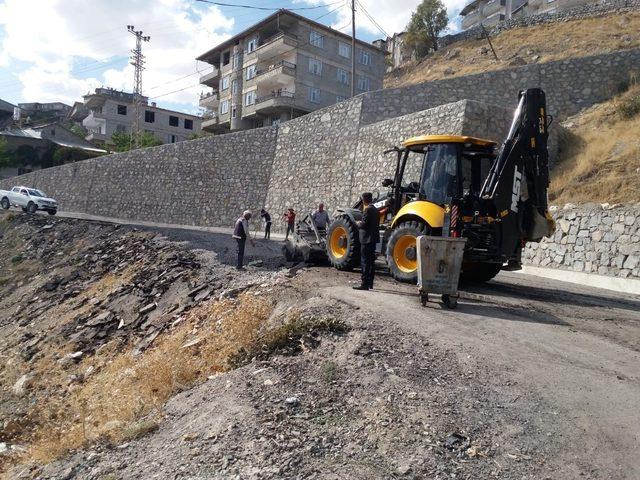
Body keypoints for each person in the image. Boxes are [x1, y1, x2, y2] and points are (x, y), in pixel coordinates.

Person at [353, 192, 379, 291]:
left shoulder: (367, 210)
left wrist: (358, 223)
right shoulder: (376, 210)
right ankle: (370, 283)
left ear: (364, 200)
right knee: (371, 262)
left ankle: (364, 284)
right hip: (373, 239)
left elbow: (364, 224)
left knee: (364, 262)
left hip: (366, 239)